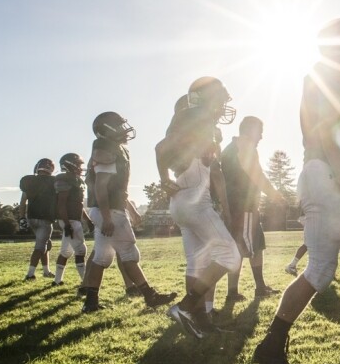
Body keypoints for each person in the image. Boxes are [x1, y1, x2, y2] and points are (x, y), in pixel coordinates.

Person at [252, 17, 340, 364]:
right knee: (321, 269)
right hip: (325, 175)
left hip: (334, 176)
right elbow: (326, 127)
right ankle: (271, 344)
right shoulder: (330, 74)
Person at [157, 79, 242, 338]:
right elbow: (161, 147)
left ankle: (201, 321)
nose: (223, 104)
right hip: (193, 197)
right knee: (231, 256)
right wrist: (163, 179)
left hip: (183, 199)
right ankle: (185, 307)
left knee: (198, 262)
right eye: (219, 98)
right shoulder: (194, 115)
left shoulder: (202, 122)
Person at [79, 111, 176, 312]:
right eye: (119, 126)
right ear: (107, 130)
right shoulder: (106, 149)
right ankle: (150, 295)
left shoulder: (115, 149)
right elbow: (101, 186)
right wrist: (107, 217)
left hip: (107, 209)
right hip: (110, 211)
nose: (124, 130)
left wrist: (130, 210)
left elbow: (116, 189)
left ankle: (90, 302)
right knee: (129, 254)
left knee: (102, 257)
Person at [220, 115, 283, 300]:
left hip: (242, 207)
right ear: (251, 131)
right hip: (243, 207)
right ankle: (232, 292)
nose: (261, 137)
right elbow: (257, 175)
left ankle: (260, 287)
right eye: (260, 133)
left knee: (257, 245)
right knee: (240, 247)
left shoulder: (231, 147)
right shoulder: (245, 146)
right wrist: (274, 195)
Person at [52, 153, 91, 286]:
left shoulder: (76, 180)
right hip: (70, 220)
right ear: (70, 165)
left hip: (73, 219)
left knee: (66, 251)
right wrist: (67, 223)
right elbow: (61, 204)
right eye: (79, 165)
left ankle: (57, 281)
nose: (81, 167)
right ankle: (86, 283)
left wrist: (88, 220)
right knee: (81, 250)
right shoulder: (64, 179)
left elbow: (79, 205)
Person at [18, 158, 58, 280]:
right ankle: (30, 274)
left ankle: (46, 271)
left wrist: (21, 218)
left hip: (31, 218)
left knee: (46, 244)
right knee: (41, 247)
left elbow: (23, 201)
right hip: (44, 219)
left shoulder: (29, 181)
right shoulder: (53, 182)